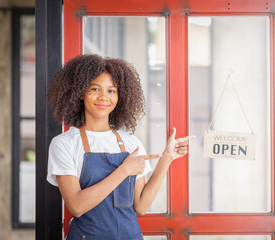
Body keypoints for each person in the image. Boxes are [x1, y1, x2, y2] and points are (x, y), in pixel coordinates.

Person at [46, 54, 194, 240]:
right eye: (95, 89)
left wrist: (167, 158)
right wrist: (124, 170)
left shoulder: (131, 143)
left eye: (111, 91)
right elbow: (77, 206)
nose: (103, 97)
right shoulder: (64, 144)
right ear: (81, 92)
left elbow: (140, 206)